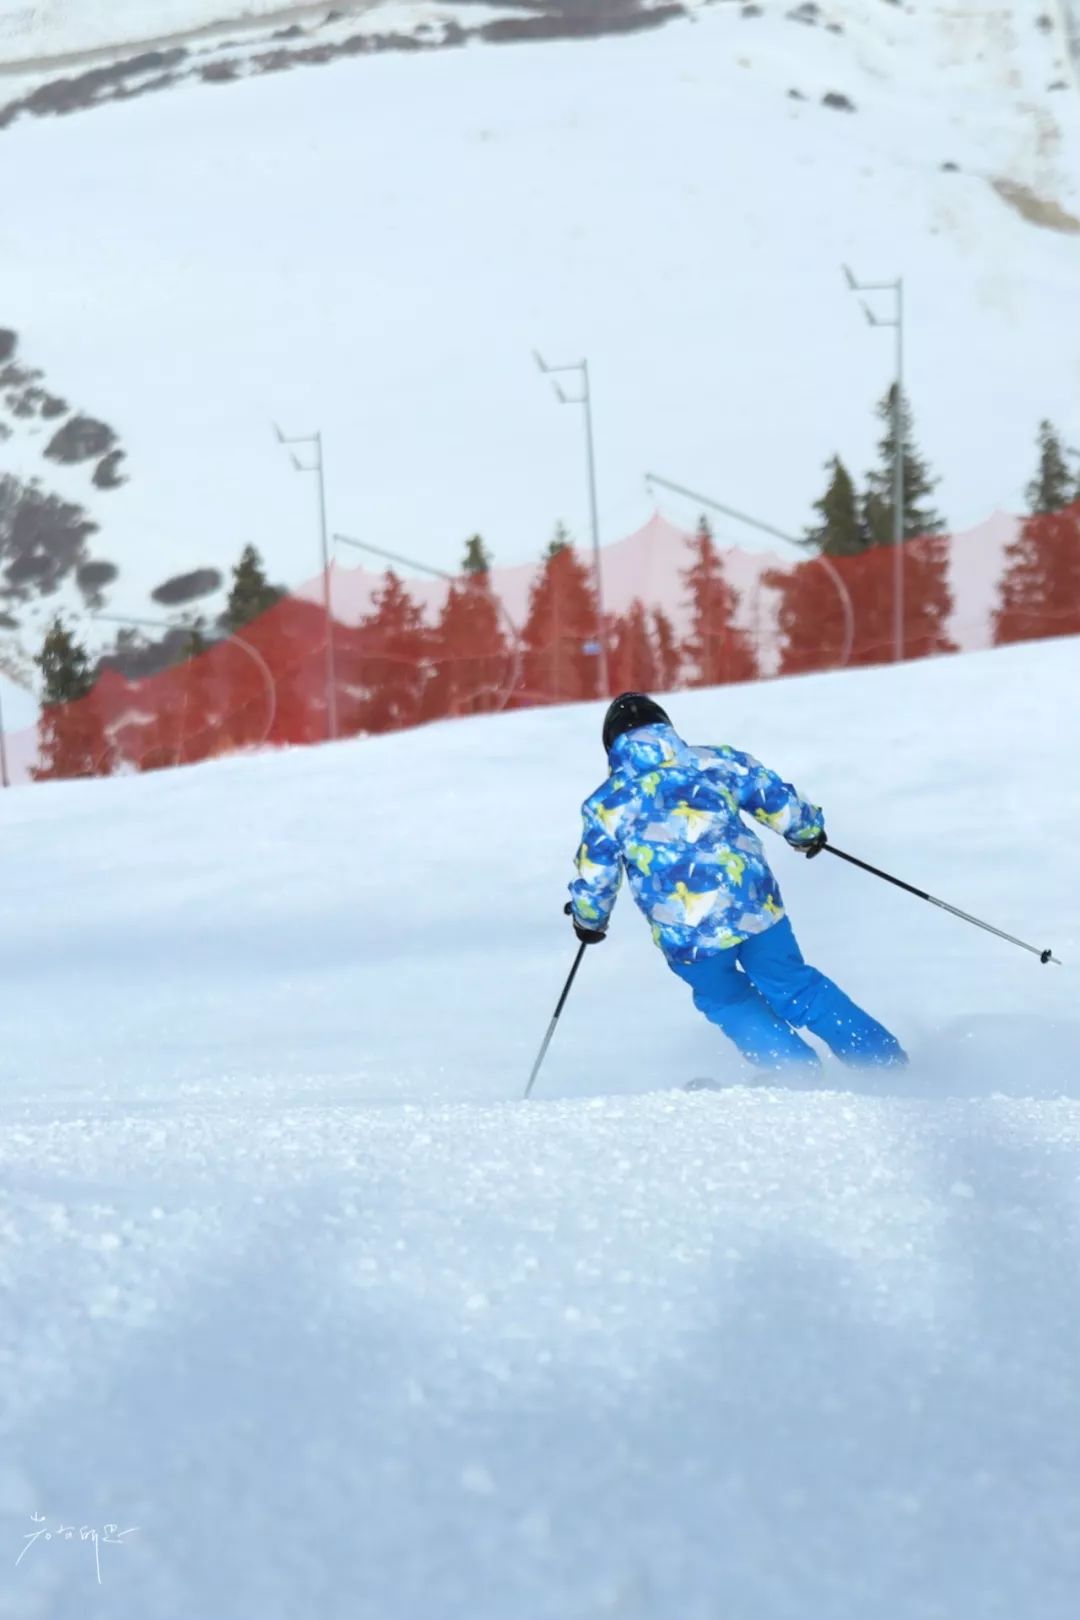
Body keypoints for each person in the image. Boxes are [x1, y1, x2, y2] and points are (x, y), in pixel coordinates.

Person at [566, 692, 906, 1073]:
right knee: (795, 985)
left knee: (727, 999)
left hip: (687, 933)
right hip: (754, 909)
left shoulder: (605, 804)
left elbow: (596, 876)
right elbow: (776, 800)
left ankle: (796, 1076)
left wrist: (589, 920)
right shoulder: (716, 762)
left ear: (611, 746)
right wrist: (806, 831)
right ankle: (882, 1062)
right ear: (666, 727)